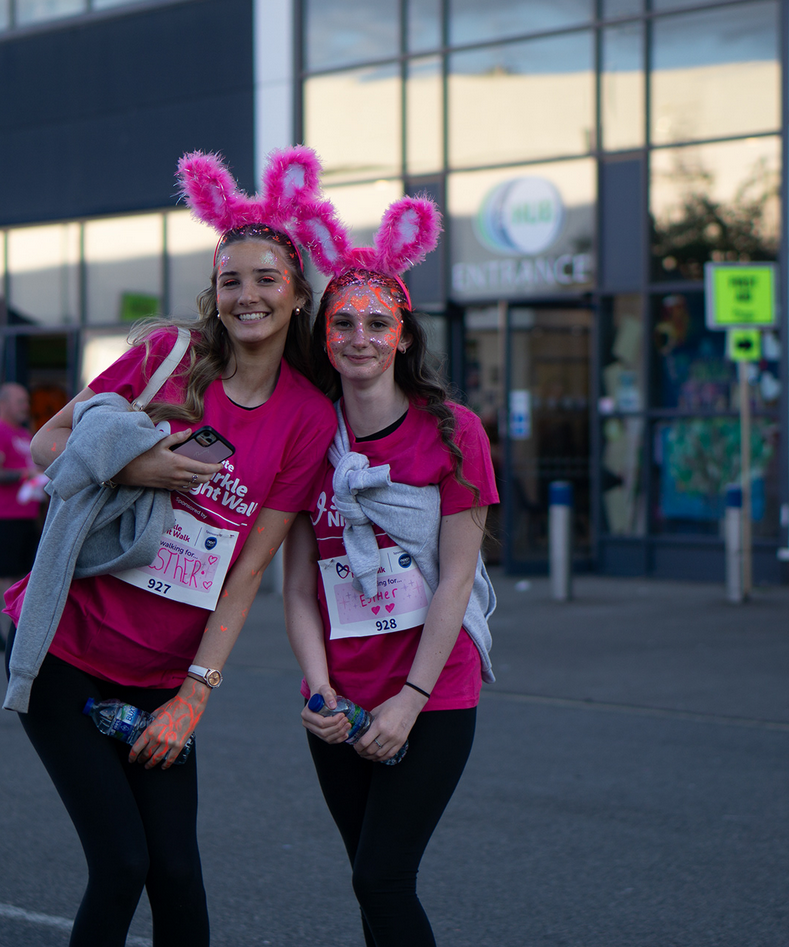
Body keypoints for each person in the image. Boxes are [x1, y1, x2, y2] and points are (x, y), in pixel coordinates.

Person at [0, 147, 335, 947]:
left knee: (177, 873)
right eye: (231, 280)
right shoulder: (169, 358)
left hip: (162, 677)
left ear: (296, 294)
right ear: (214, 294)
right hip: (67, 649)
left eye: (266, 279)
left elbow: (247, 572)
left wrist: (193, 696)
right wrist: (136, 463)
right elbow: (47, 444)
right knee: (121, 862)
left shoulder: (308, 416)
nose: (248, 295)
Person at [282, 192, 497, 946]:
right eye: (342, 322)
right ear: (324, 335)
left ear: (403, 336)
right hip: (337, 700)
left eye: (378, 323)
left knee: (382, 878)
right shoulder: (309, 437)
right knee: (366, 880)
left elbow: (457, 578)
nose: (360, 338)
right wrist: (320, 690)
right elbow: (298, 587)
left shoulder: (454, 432)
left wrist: (409, 700)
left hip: (431, 693)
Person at [0, 383, 41, 652]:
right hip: (3, 517)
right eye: (20, 401)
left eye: (26, 401)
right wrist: (24, 475)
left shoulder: (24, 434)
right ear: (3, 404)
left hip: (26, 516)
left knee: (23, 575)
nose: (26, 407)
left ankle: (15, 630)